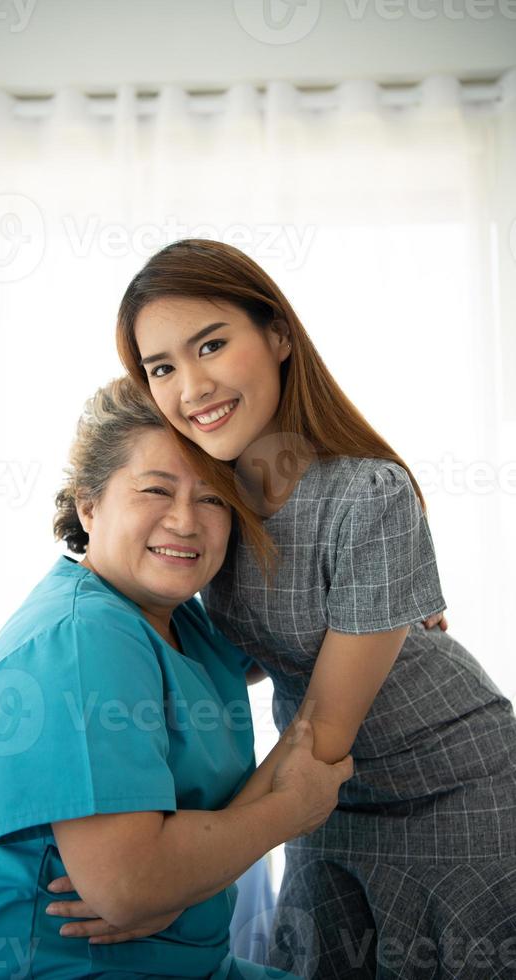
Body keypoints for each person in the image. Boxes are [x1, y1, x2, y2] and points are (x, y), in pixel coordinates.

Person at [114, 238, 516, 979]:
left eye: (211, 345)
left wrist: (173, 874)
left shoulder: (368, 496)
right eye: (162, 367)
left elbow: (325, 729)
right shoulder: (208, 505)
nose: (191, 385)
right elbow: (155, 626)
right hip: (323, 799)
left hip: (450, 786)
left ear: (278, 335)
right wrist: (11, 673)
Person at [0, 375, 353, 980]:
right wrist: (292, 808)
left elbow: (294, 634)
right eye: (156, 489)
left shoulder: (181, 621)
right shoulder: (84, 637)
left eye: (213, 498)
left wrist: (379, 592)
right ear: (88, 504)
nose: (186, 521)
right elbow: (128, 887)